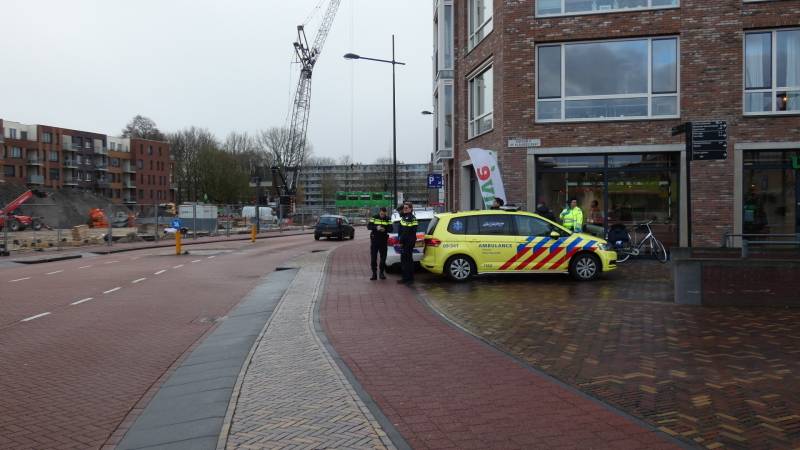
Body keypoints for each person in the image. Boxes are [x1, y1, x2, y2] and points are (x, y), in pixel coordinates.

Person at [396, 202, 418, 285]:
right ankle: (405, 278)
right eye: (404, 208)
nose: (404, 209)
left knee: (408, 261)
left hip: (408, 242)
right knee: (404, 260)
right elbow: (398, 210)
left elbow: (406, 231)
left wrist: (401, 242)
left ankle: (410, 279)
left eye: (406, 208)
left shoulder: (410, 218)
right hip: (406, 242)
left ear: (410, 209)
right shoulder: (404, 217)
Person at [367, 207, 391, 280]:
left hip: (383, 241)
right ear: (379, 212)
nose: (382, 215)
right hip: (375, 241)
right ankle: (374, 274)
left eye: (384, 214)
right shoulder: (374, 217)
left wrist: (385, 229)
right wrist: (376, 227)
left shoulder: (388, 219)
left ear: (386, 213)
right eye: (381, 213)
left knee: (383, 258)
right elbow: (368, 226)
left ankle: (381, 273)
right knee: (373, 258)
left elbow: (391, 229)